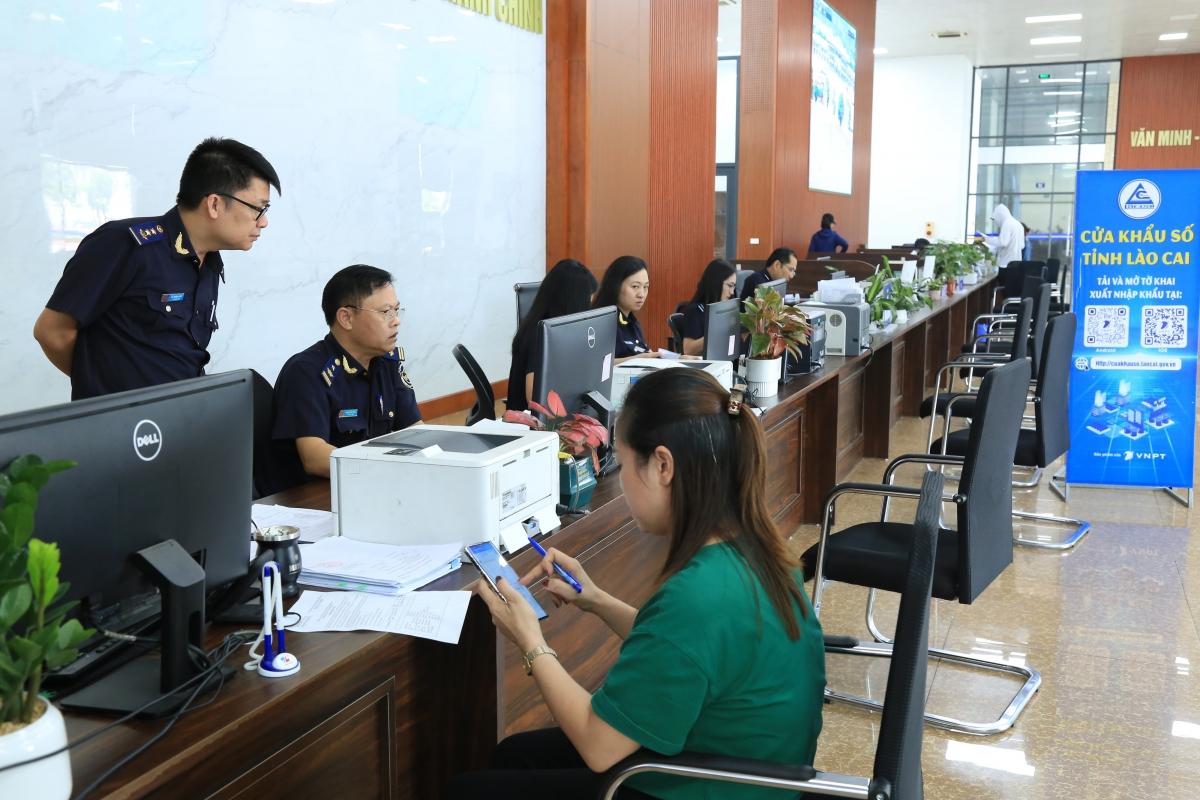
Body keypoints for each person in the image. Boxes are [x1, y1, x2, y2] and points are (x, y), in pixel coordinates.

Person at [449, 368, 825, 799]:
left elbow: (598, 746)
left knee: (468, 790)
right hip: (749, 771)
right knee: (516, 755)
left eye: (625, 465)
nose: (623, 482)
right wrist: (596, 600)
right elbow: (685, 652)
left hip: (713, 785)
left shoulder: (697, 597)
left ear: (663, 465)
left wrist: (530, 641)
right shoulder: (758, 548)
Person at [33, 137, 280, 400]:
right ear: (215, 204)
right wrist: (107, 391)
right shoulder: (125, 245)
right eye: (258, 208)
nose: (263, 222)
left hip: (180, 417)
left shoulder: (209, 263)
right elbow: (52, 332)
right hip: (123, 421)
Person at [271, 265, 420, 481]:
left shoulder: (387, 362)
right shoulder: (306, 371)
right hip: (313, 494)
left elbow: (414, 430)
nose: (396, 320)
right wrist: (383, 470)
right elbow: (315, 457)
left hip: (367, 484)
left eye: (397, 310)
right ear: (346, 318)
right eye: (386, 312)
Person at [508, 259, 598, 412]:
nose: (589, 307)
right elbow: (535, 399)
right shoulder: (540, 335)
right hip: (532, 422)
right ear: (572, 302)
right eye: (586, 301)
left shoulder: (557, 331)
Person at [594, 255, 654, 361]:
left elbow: (645, 352)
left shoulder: (632, 322)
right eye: (635, 286)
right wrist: (638, 359)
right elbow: (598, 362)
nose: (641, 294)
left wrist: (678, 358)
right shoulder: (601, 323)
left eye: (645, 287)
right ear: (616, 285)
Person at [677, 259, 736, 357]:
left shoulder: (725, 310)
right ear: (716, 283)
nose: (732, 292)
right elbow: (688, 350)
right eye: (730, 286)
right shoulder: (695, 311)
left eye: (733, 286)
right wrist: (716, 334)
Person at [987, 203, 1025, 269]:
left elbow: (1003, 242)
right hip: (1017, 263)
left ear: (999, 216)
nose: (995, 222)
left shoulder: (1007, 223)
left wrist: (987, 240)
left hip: (1005, 264)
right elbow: (1022, 246)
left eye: (995, 219)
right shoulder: (1018, 224)